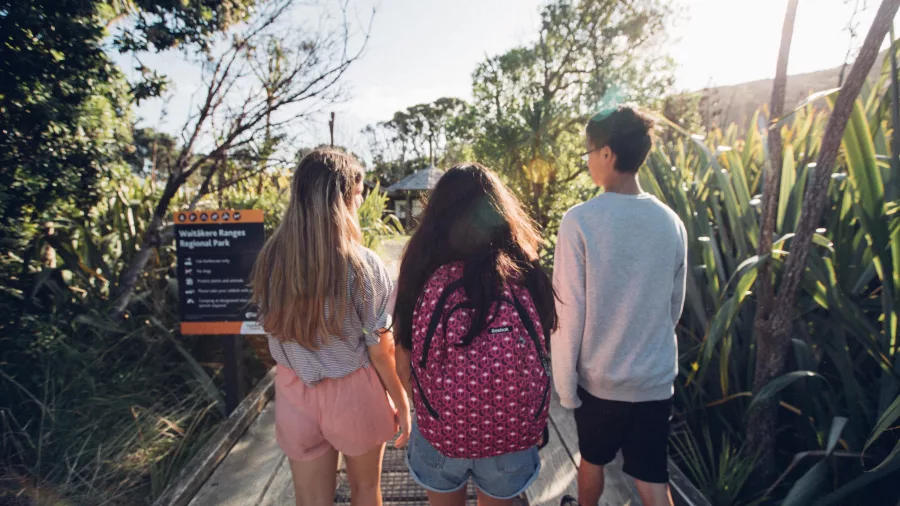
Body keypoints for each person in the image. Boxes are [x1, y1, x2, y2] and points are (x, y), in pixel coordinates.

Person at [250, 149, 411, 506]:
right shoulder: (363, 265)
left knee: (310, 500)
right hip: (354, 392)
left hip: (295, 391)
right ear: (343, 199)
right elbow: (379, 349)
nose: (361, 202)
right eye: (359, 194)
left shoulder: (271, 260)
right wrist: (402, 400)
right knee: (365, 490)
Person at [392, 163, 558, 506]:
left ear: (438, 213)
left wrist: (434, 406)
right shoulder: (524, 269)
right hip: (512, 431)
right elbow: (543, 345)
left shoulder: (420, 268)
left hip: (440, 431)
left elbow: (403, 357)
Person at [553, 107, 687, 506]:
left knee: (592, 460)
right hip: (654, 379)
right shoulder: (671, 222)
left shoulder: (580, 221)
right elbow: (673, 306)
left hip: (601, 380)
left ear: (607, 154)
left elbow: (568, 312)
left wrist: (565, 388)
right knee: (652, 476)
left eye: (588, 152)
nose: (588, 161)